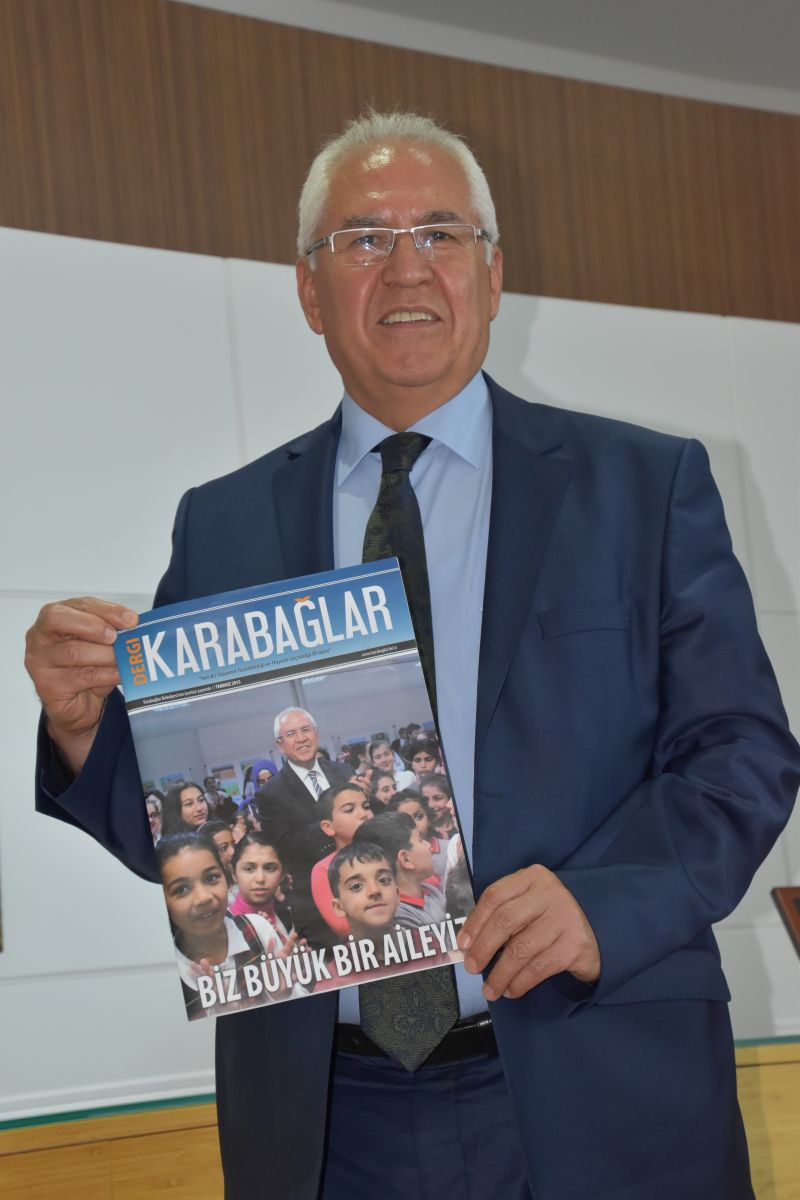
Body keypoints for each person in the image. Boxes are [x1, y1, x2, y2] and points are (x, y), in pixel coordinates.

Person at [24, 108, 800, 1200]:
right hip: (326, 1120)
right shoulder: (224, 524)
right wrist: (82, 732)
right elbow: (193, 830)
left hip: (603, 1087)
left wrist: (603, 902)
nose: (406, 267)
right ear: (308, 290)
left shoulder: (643, 486)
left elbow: (740, 753)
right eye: (362, 239)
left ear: (493, 273)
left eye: (441, 233)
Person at [310, 783, 375, 937]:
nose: (363, 814)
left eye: (366, 807)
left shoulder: (390, 851)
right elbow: (343, 926)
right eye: (349, 810)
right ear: (328, 827)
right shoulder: (324, 870)